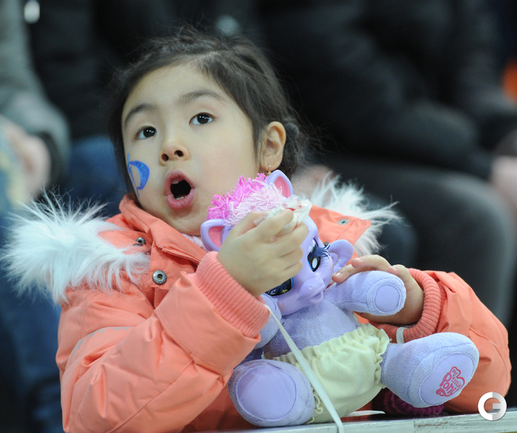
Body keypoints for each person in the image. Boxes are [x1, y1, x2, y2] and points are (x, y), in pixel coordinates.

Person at [3, 27, 510, 432]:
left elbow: (490, 388)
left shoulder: (323, 243)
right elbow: (96, 415)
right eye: (146, 130)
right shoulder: (113, 271)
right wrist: (224, 292)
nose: (169, 145)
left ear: (268, 147)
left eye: (201, 118)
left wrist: (420, 309)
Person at [258, 0, 517, 328]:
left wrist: (506, 136)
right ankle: (452, 355)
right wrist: (483, 167)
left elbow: (473, 71)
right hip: (337, 143)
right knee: (476, 218)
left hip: (430, 136)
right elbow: (358, 99)